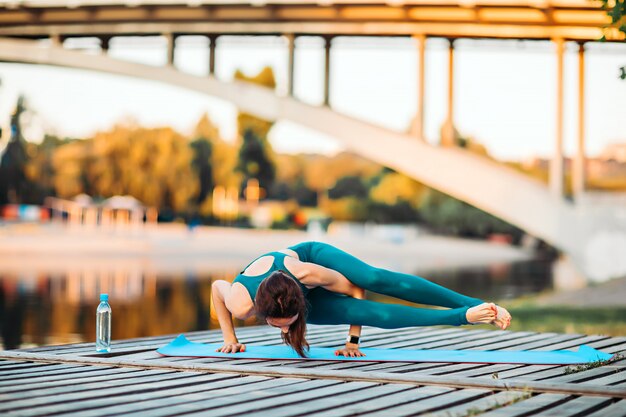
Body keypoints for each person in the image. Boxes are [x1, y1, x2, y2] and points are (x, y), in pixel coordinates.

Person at [211, 241, 512, 358]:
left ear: (300, 305)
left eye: (288, 324)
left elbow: (355, 289)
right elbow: (216, 287)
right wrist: (229, 336)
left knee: (374, 280)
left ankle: (473, 303)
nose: (284, 330)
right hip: (287, 294)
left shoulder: (306, 272)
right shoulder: (241, 303)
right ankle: (464, 316)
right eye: (280, 325)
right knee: (375, 315)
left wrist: (352, 340)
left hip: (314, 257)